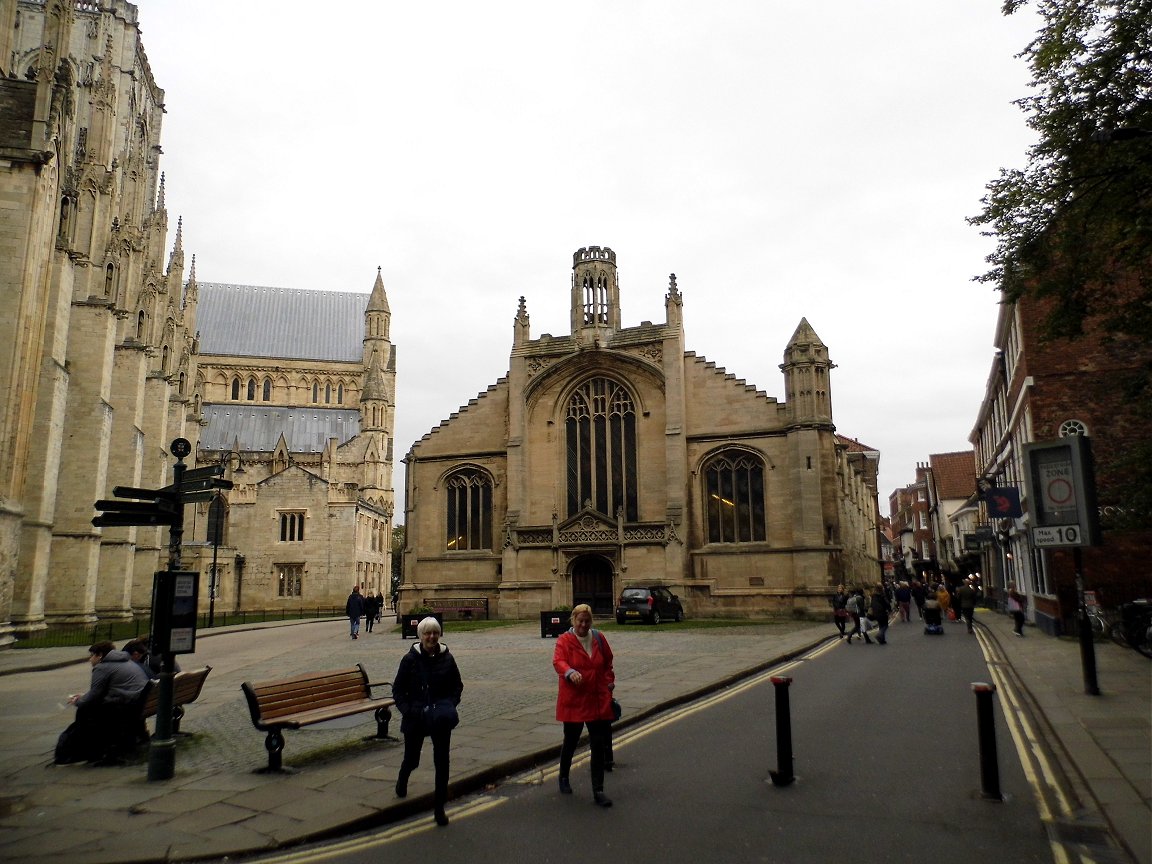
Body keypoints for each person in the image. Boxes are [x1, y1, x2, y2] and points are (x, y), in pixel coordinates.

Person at [392, 617, 463, 826]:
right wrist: (408, 711)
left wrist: (449, 705)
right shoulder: (409, 659)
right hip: (416, 717)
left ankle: (439, 808)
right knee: (412, 760)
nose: (431, 637)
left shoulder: (447, 658)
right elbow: (397, 690)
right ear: (420, 636)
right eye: (427, 633)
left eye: (435, 633)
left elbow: (457, 686)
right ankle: (402, 778)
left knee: (442, 764)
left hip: (440, 717)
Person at [552, 603, 615, 807]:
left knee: (597, 744)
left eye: (587, 621)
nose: (584, 625)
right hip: (575, 700)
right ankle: (563, 777)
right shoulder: (565, 640)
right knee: (571, 741)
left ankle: (598, 790)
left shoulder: (598, 637)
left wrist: (609, 681)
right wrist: (569, 672)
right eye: (580, 621)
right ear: (573, 620)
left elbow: (607, 662)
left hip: (596, 699)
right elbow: (558, 661)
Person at [58, 641, 150, 764]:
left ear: (100, 655)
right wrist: (85, 697)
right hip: (139, 704)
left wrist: (78, 701)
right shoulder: (128, 662)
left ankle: (91, 751)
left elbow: (94, 695)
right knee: (90, 709)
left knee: (84, 712)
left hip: (126, 708)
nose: (90, 659)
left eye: (92, 655)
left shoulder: (102, 667)